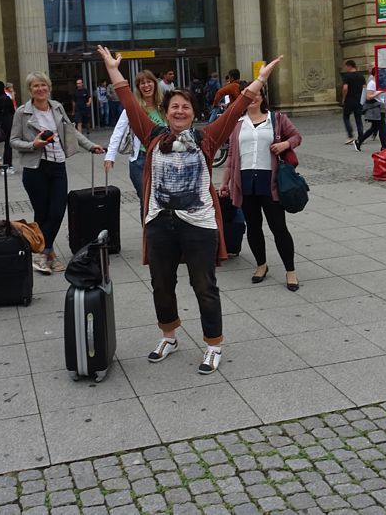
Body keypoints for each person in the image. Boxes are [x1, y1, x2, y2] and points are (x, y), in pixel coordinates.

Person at [97, 44, 283, 375]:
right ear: (165, 113)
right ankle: (169, 336)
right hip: (159, 222)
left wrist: (260, 79)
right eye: (174, 107)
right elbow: (128, 101)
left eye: (185, 107)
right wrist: (113, 70)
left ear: (193, 114)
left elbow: (235, 108)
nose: (179, 111)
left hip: (198, 224)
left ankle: (213, 344)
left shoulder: (206, 138)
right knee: (161, 283)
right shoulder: (152, 135)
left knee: (204, 285)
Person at [9, 72, 104, 275]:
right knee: (42, 214)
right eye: (35, 86)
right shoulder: (22, 112)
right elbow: (13, 140)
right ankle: (47, 254)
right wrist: (33, 145)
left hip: (58, 165)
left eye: (43, 85)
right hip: (36, 168)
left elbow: (71, 131)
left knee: (57, 210)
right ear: (30, 90)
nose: (40, 89)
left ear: (49, 87)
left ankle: (42, 252)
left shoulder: (57, 107)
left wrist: (90, 146)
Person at [219, 90, 302, 291]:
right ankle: (261, 265)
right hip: (246, 182)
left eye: (257, 94)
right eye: (249, 95)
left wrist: (284, 144)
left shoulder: (276, 119)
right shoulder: (238, 124)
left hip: (270, 181)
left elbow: (296, 137)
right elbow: (231, 156)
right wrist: (224, 183)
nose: (253, 98)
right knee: (253, 227)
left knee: (278, 227)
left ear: (263, 97)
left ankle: (290, 271)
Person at [104, 70, 166, 202]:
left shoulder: (164, 107)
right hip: (140, 162)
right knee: (146, 201)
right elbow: (118, 131)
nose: (146, 85)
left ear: (155, 84)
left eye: (149, 82)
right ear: (138, 88)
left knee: (162, 202)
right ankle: (146, 223)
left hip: (163, 160)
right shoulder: (133, 108)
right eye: (142, 83)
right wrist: (110, 156)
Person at [356, 64, 386, 151]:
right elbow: (368, 97)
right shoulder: (372, 83)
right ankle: (384, 146)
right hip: (375, 107)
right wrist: (379, 92)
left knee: (374, 128)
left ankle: (359, 141)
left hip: (380, 106)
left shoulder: (380, 82)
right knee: (381, 126)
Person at [340, 60, 365, 146]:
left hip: (349, 100)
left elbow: (345, 88)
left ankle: (350, 136)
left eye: (346, 66)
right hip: (359, 101)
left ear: (350, 66)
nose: (346, 68)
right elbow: (364, 87)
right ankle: (361, 136)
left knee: (346, 117)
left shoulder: (347, 76)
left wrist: (343, 98)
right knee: (358, 119)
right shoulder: (361, 76)